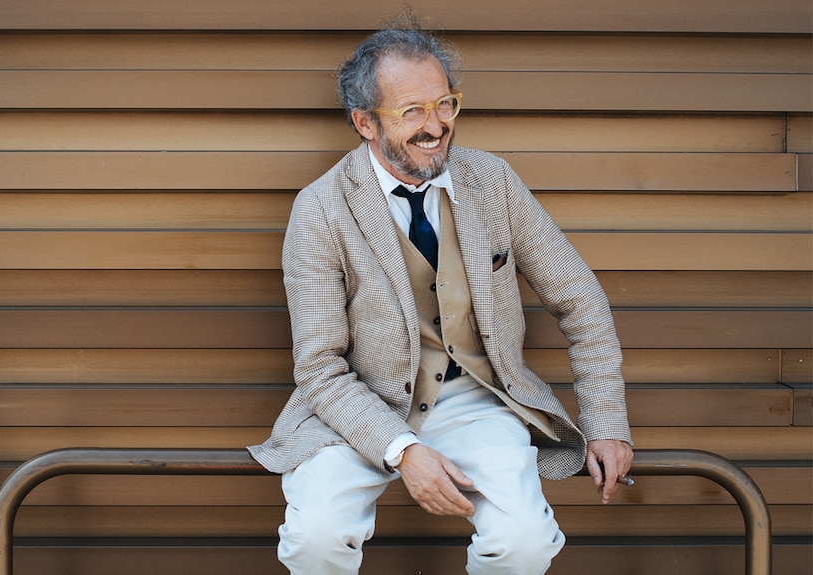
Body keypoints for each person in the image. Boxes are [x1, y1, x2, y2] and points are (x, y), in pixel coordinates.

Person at [249, 15, 633, 575]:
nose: (436, 126)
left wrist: (606, 424)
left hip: (476, 400)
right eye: (411, 112)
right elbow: (320, 368)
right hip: (358, 408)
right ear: (364, 123)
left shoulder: (493, 181)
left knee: (524, 541)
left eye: (444, 104)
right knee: (316, 539)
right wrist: (402, 449)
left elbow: (581, 299)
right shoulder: (321, 208)